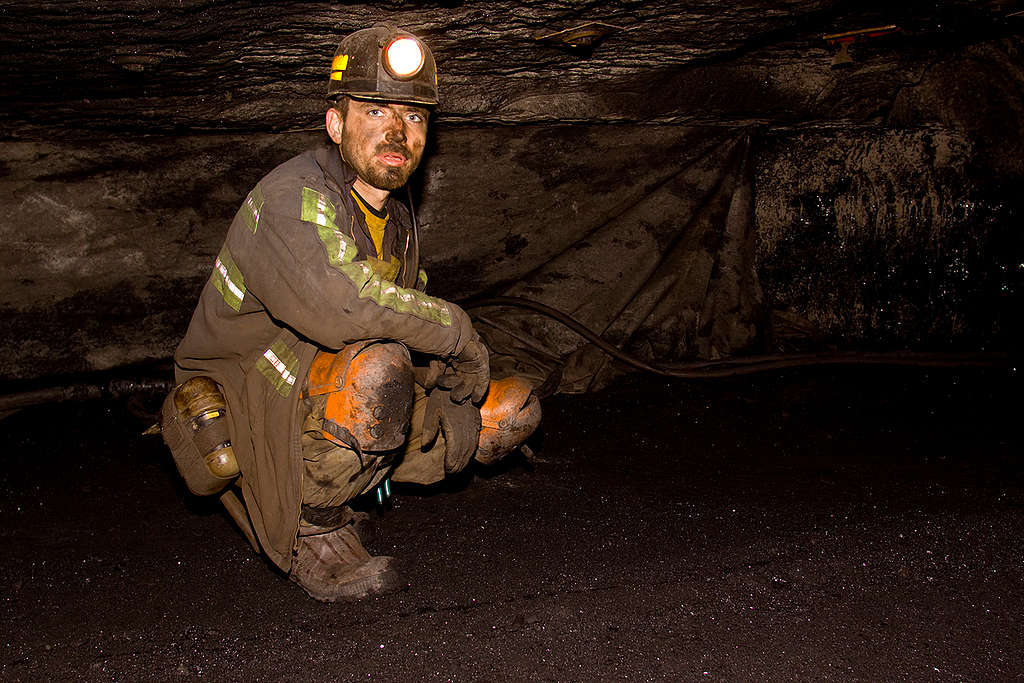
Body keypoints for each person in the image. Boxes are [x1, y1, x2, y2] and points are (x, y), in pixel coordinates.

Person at [160, 24, 541, 602]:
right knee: (378, 372)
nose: (396, 131)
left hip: (326, 376)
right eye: (374, 111)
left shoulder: (395, 215)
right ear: (337, 124)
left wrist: (453, 377)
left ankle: (364, 474)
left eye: (413, 117)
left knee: (509, 409)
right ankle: (310, 519)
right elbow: (341, 305)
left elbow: (405, 304)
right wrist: (457, 332)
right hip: (258, 393)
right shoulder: (294, 196)